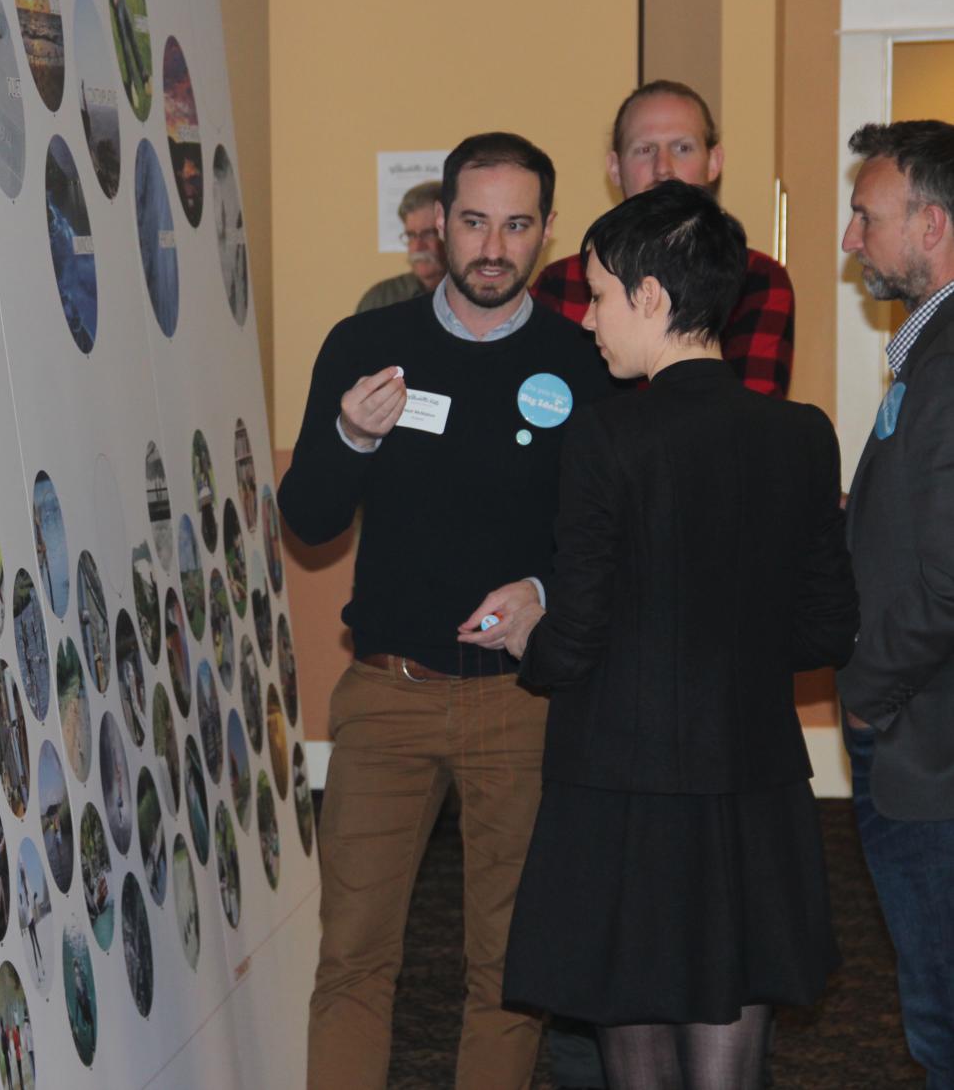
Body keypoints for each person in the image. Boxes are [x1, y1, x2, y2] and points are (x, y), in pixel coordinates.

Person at [488, 181, 857, 1089]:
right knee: (731, 1043)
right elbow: (826, 626)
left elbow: (573, 640)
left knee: (639, 1043)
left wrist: (526, 634)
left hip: (622, 783)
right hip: (753, 773)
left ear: (652, 298)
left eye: (602, 295)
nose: (589, 321)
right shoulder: (803, 435)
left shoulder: (609, 437)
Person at [281, 131, 615, 1090]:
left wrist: (545, 592)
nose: (492, 248)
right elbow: (306, 521)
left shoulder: (582, 359)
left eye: (516, 225)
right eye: (474, 222)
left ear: (548, 232)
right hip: (387, 694)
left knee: (510, 971)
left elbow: (605, 535)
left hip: (523, 702)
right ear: (439, 223)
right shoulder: (367, 345)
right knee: (352, 957)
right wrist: (349, 432)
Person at [837, 119, 954, 1088]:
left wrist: (871, 691)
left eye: (865, 215)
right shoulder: (930, 355)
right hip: (922, 727)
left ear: (934, 226)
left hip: (928, 739)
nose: (849, 238)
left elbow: (950, 573)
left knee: (941, 1008)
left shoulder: (950, 364)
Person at [532, 79, 794, 399]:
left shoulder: (755, 279)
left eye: (682, 148)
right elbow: (551, 401)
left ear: (714, 162)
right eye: (645, 150)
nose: (663, 169)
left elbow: (750, 416)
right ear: (615, 169)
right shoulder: (564, 282)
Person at [357, 180, 448, 313]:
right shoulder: (381, 299)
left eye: (428, 234)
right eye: (411, 235)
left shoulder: (474, 294)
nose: (417, 247)